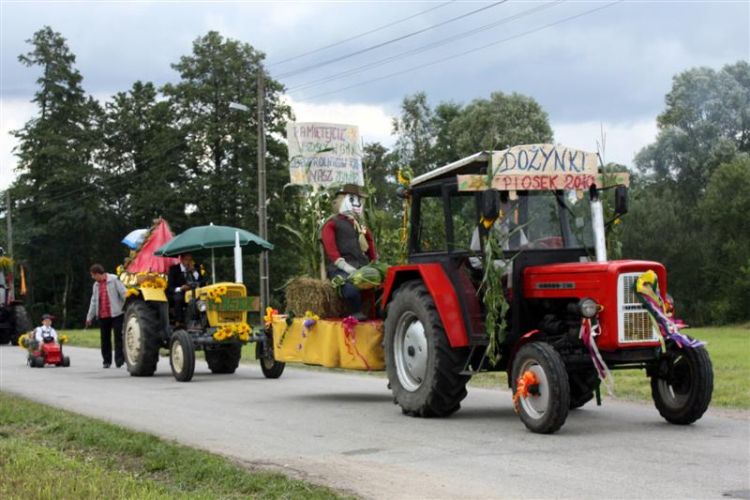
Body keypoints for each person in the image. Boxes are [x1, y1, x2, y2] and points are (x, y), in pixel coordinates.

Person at [321, 184, 377, 320]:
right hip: (342, 268)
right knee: (350, 289)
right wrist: (344, 265)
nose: (357, 204)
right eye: (352, 200)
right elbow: (330, 248)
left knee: (380, 286)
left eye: (359, 200)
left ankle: (377, 312)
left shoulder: (360, 225)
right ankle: (355, 311)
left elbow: (369, 244)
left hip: (362, 266)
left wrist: (375, 261)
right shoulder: (332, 224)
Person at [86, 264, 127, 368]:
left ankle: (119, 360)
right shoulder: (96, 285)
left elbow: (123, 293)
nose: (92, 278)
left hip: (117, 313)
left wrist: (128, 307)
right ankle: (106, 361)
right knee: (105, 339)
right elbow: (94, 301)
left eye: (92, 275)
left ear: (97, 274)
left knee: (118, 337)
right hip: (103, 315)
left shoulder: (114, 279)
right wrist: (89, 317)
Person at [167, 253, 205, 324]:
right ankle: (179, 321)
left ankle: (201, 320)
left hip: (194, 291)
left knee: (203, 298)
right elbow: (170, 287)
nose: (188, 262)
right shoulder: (174, 269)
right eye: (186, 260)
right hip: (180, 292)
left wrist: (193, 271)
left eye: (190, 260)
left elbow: (202, 281)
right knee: (178, 298)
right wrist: (181, 288)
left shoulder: (196, 267)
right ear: (181, 259)